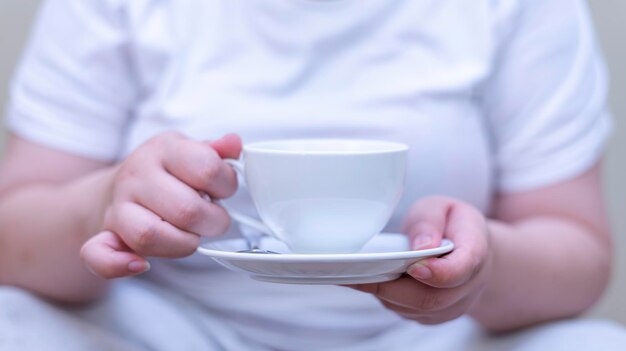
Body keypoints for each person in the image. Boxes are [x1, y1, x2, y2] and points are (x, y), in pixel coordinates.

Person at [1, 0, 625, 350]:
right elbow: (10, 236)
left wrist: (484, 270)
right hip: (171, 332)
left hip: (431, 341)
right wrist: (105, 204)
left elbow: (579, 253)